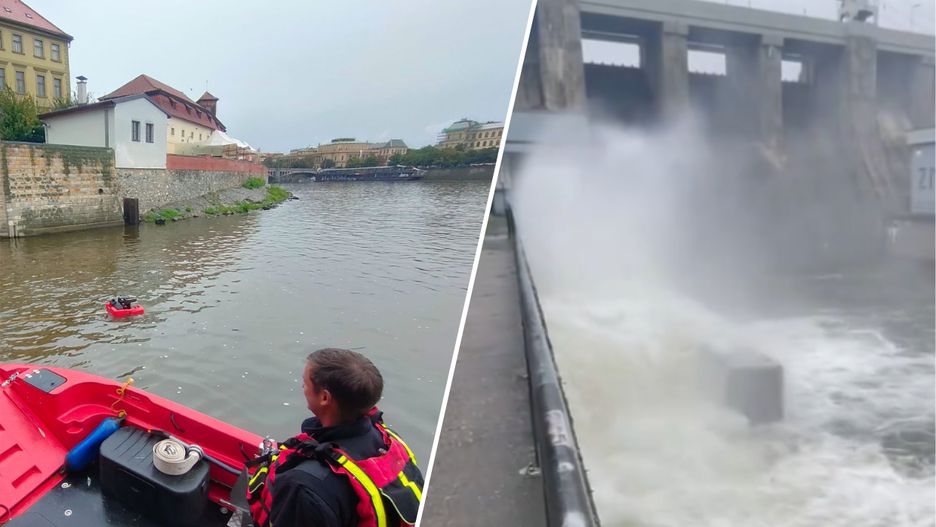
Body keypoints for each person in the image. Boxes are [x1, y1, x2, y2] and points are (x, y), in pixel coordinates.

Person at [246, 348, 423, 527]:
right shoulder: (389, 440)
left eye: (305, 383)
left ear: (324, 397)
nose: (302, 388)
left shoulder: (304, 486)